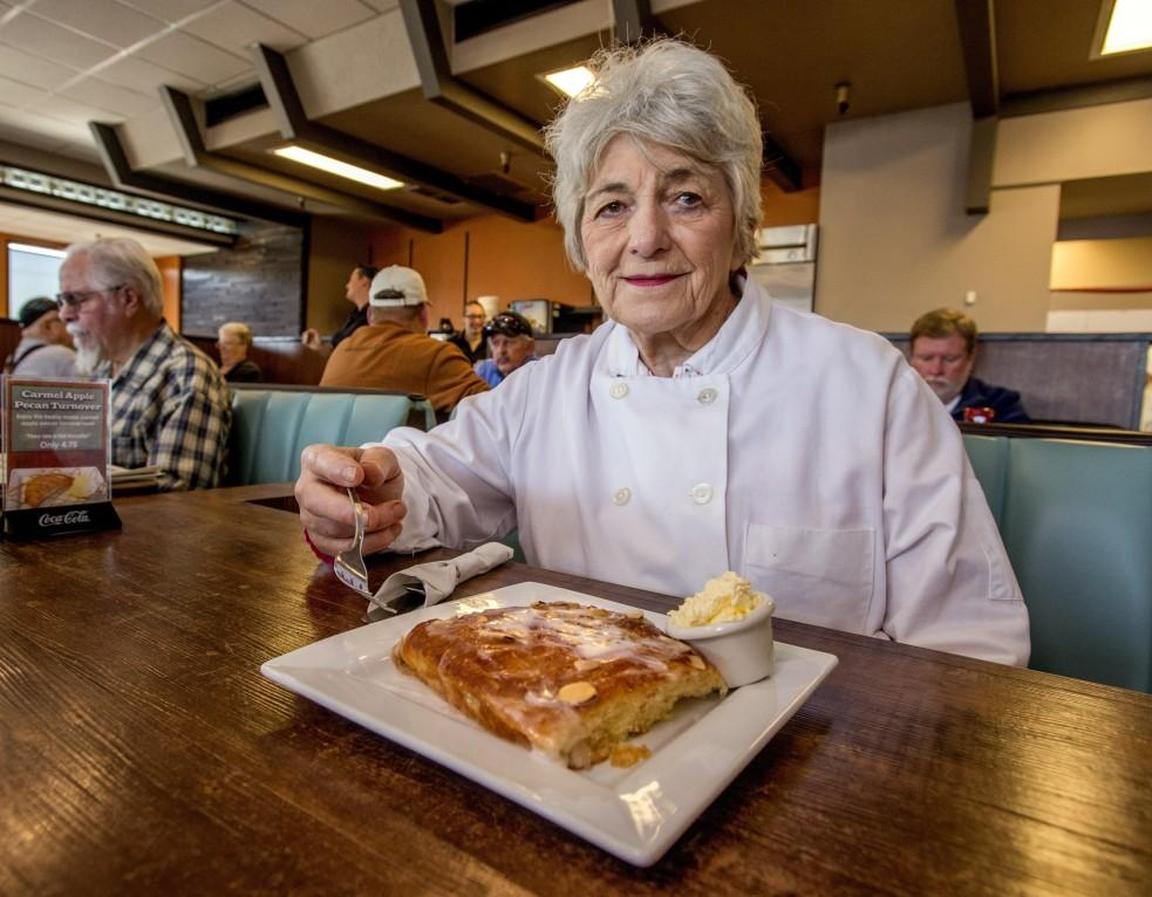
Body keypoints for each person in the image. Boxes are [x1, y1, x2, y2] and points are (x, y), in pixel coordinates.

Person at [295, 40, 1029, 666]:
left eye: (685, 198)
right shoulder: (547, 390)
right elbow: (429, 478)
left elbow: (971, 643)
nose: (644, 238)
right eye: (612, 206)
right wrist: (366, 492)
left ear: (741, 226)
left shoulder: (869, 387)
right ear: (584, 242)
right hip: (577, 737)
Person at [58, 237, 231, 491]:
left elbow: (178, 502)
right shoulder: (101, 371)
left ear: (128, 299)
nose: (64, 314)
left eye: (76, 299)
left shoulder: (185, 374)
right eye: (62, 301)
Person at [319, 265, 489, 413]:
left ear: (370, 314)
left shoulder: (340, 350)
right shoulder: (436, 355)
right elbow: (493, 411)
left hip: (323, 449)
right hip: (390, 451)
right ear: (423, 314)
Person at [908, 308, 1031, 423]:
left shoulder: (1002, 405)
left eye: (950, 359)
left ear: (970, 358)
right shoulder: (893, 401)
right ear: (911, 357)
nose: (936, 370)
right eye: (926, 358)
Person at [301, 264, 378, 351]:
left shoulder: (374, 317)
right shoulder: (354, 315)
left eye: (350, 280)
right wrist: (319, 346)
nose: (347, 285)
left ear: (364, 281)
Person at [4, 296, 76, 378]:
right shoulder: (61, 354)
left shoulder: (12, 358)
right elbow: (88, 389)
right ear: (48, 326)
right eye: (67, 322)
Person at [473, 311, 538, 386]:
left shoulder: (541, 373)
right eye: (495, 343)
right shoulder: (484, 371)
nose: (501, 351)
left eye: (509, 342)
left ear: (529, 347)